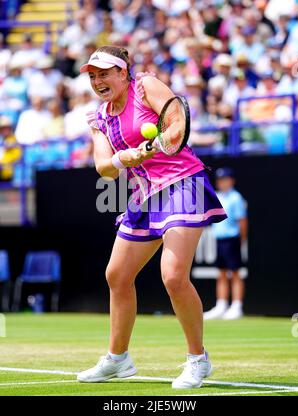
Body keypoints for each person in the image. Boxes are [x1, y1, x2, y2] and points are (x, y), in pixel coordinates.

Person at [76, 45, 227, 389]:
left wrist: (153, 146)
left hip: (182, 183)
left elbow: (178, 123)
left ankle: (198, 360)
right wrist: (122, 159)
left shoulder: (146, 86)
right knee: (117, 275)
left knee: (173, 276)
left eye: (105, 73)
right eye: (93, 75)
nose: (98, 80)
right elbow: (104, 168)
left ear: (123, 73)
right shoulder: (99, 116)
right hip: (143, 195)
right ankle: (118, 359)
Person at [204, 167, 247, 321]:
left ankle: (236, 306)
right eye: (220, 180)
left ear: (232, 180)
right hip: (219, 239)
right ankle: (221, 305)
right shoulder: (217, 196)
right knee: (221, 273)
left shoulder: (236, 198)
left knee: (235, 273)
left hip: (232, 239)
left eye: (225, 179)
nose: (222, 182)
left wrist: (241, 240)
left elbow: (242, 221)